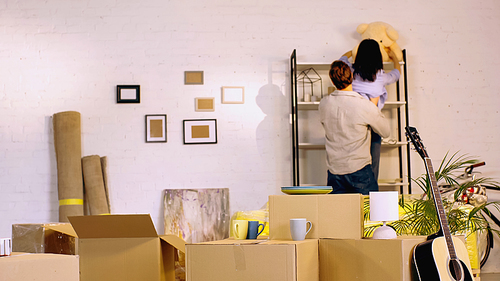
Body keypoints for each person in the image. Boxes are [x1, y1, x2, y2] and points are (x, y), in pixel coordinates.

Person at [319, 60, 390, 195]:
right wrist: (373, 108)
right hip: (360, 171)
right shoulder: (363, 105)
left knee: (338, 214)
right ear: (352, 77)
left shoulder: (324, 104)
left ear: (333, 81)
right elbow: (385, 131)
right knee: (368, 214)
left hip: (334, 172)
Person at [340, 39, 401, 181]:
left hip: (354, 122)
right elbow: (397, 73)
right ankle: (370, 194)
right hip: (373, 122)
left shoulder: (351, 72)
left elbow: (341, 60)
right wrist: (395, 58)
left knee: (353, 161)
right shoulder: (381, 76)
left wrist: (352, 51)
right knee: (373, 163)